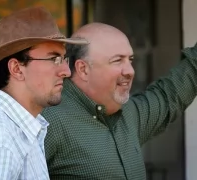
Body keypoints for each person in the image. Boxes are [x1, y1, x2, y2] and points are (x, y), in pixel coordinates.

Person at [41, 22, 197, 179]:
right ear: (83, 69)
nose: (130, 71)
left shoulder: (128, 114)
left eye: (130, 60)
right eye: (117, 61)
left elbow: (170, 95)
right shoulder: (48, 122)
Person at [0, 7, 87, 180]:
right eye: (54, 59)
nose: (66, 71)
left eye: (64, 59)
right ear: (16, 69)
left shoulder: (22, 130)